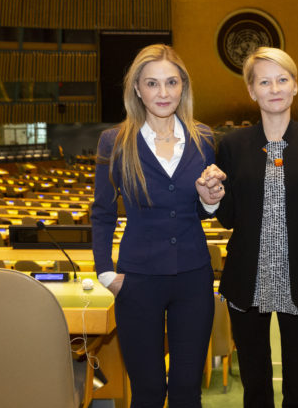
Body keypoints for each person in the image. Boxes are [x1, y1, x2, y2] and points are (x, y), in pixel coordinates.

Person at [91, 44, 226, 408]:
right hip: (137, 280)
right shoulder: (114, 141)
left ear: (183, 86)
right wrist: (106, 272)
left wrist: (209, 198)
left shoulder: (203, 138)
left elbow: (204, 212)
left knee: (186, 392)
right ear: (137, 88)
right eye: (152, 84)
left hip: (193, 278)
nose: (163, 93)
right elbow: (102, 212)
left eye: (171, 82)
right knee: (148, 392)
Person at [216, 46, 298, 408]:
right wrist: (212, 195)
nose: (274, 88)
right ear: (252, 90)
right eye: (264, 81)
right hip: (247, 276)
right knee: (255, 381)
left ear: (295, 86)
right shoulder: (232, 145)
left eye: (282, 79)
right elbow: (227, 216)